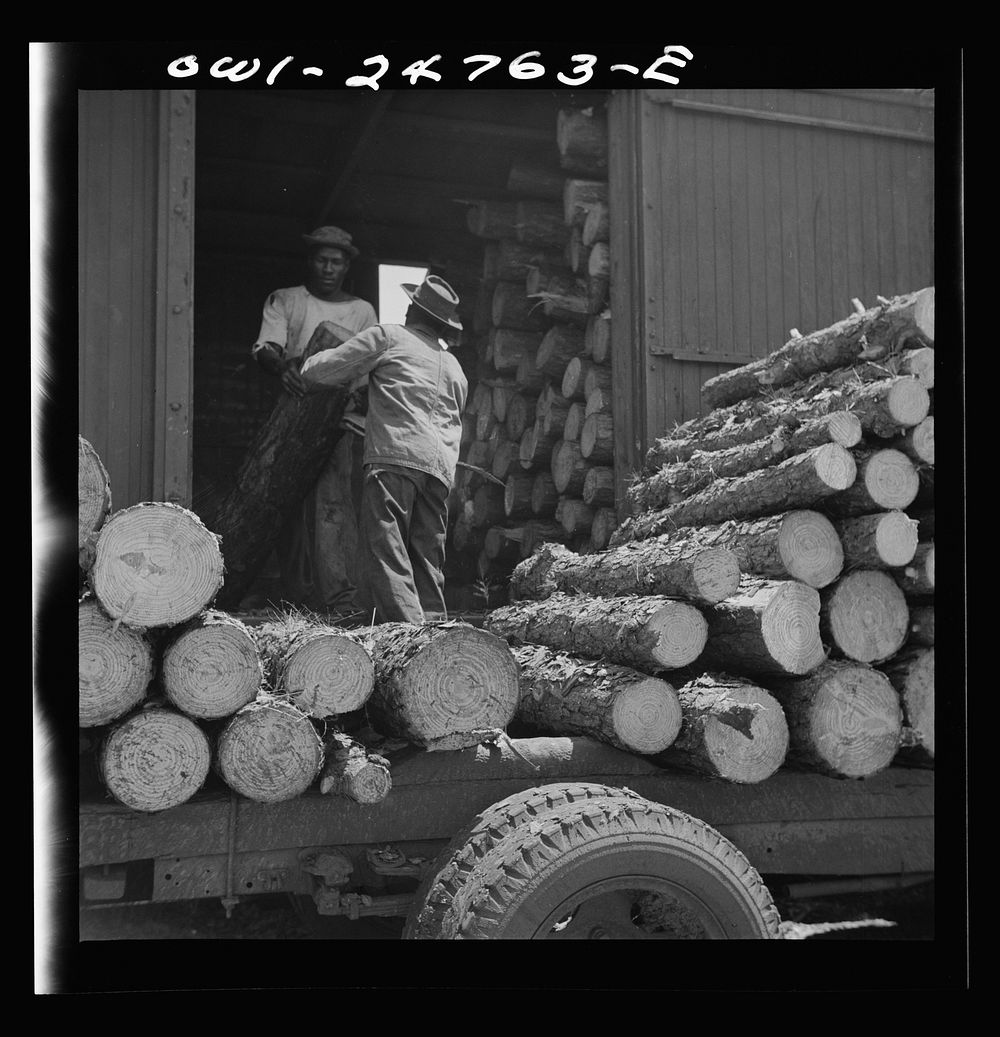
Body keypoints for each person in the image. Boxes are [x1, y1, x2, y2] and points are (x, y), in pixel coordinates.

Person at [299, 274, 468, 624]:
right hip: (439, 469)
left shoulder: (389, 336)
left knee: (386, 547)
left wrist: (305, 365)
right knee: (427, 555)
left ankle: (410, 634)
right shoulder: (455, 367)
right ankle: (436, 628)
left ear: (411, 310)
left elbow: (326, 370)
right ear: (442, 324)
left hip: (395, 457)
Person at [252, 226, 378, 612]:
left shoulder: (361, 312)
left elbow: (368, 367)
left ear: (346, 266)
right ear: (310, 261)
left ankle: (338, 597)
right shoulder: (286, 299)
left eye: (336, 262)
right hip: (291, 413)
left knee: (332, 505)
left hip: (337, 419)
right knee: (282, 502)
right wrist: (283, 366)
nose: (327, 268)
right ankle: (294, 591)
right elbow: (265, 348)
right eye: (321, 260)